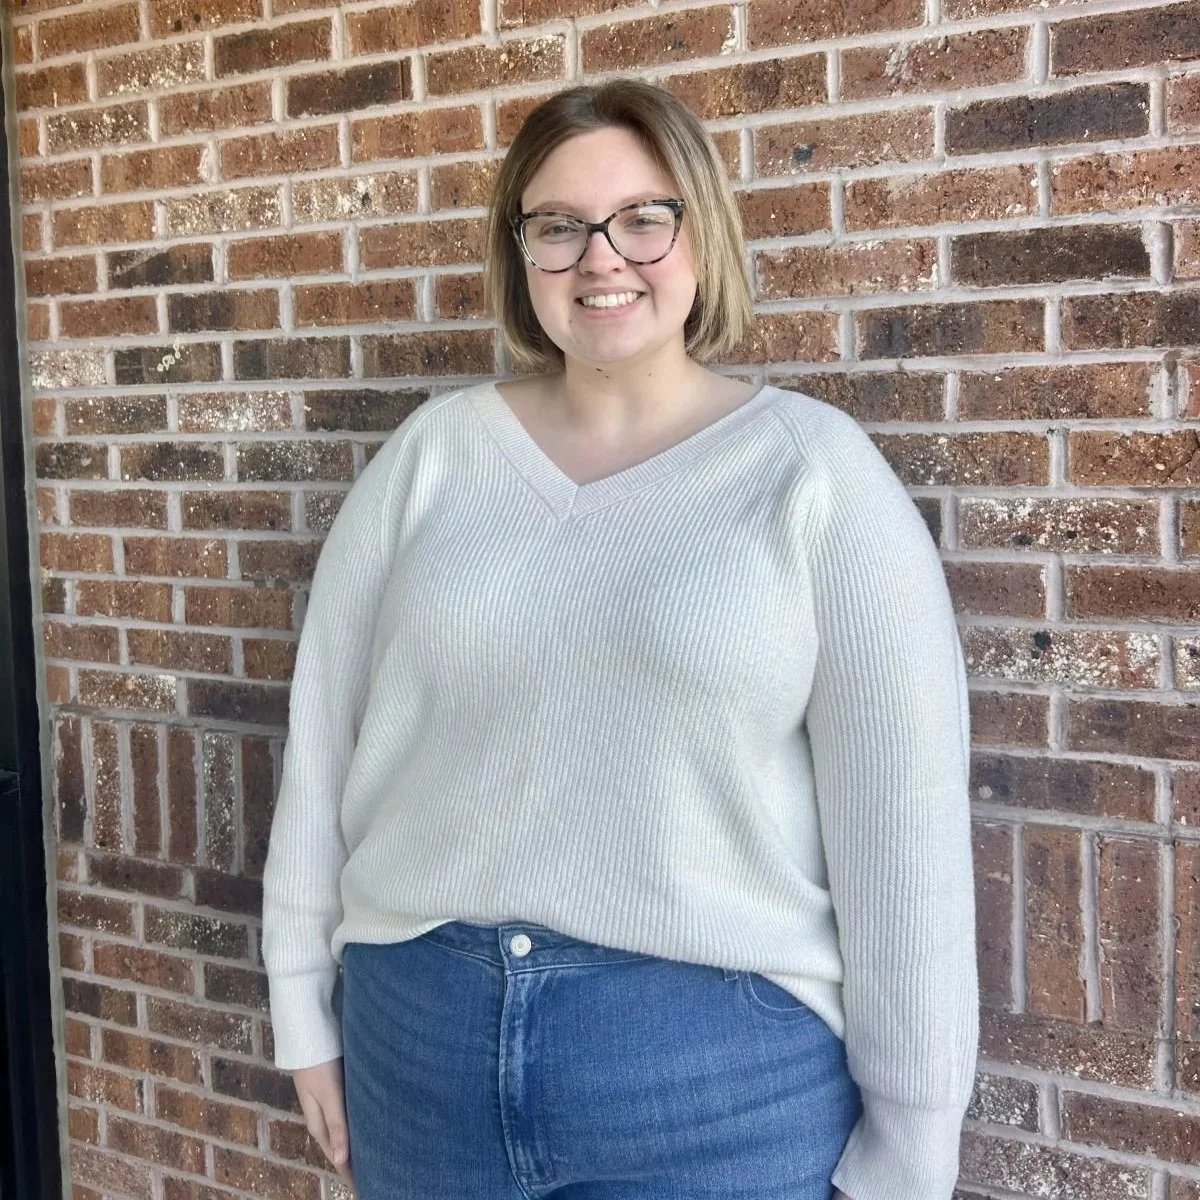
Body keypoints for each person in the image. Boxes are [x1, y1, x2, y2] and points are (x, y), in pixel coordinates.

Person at [262, 77, 978, 1200]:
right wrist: (301, 1003)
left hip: (715, 1080)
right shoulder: (430, 460)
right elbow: (323, 746)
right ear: (521, 254)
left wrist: (913, 1147)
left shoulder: (813, 476)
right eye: (558, 225)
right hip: (420, 1048)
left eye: (644, 217)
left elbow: (906, 837)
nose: (603, 258)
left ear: (701, 235)